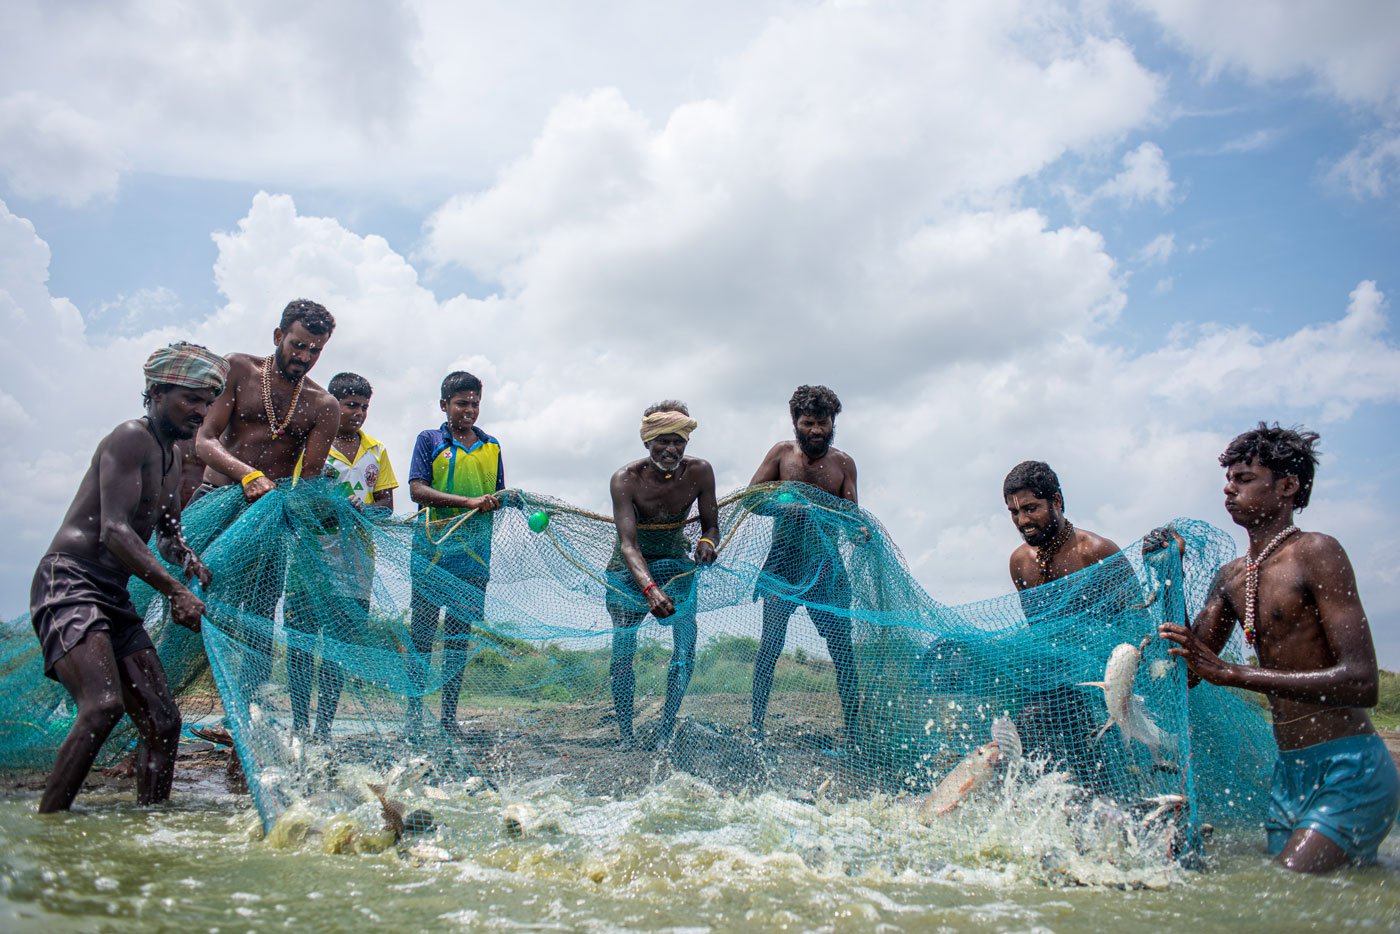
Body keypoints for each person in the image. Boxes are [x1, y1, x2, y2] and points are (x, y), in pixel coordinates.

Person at [1158, 423, 1398, 872]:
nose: (1228, 490)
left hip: (1350, 768)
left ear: (1288, 486)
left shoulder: (1317, 553)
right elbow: (1190, 670)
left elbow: (1363, 682)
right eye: (1227, 480)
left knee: (1287, 886)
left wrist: (1235, 674)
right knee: (1325, 889)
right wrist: (1169, 570)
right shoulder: (1231, 577)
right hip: (1289, 773)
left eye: (1244, 479)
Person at [30, 343, 228, 812]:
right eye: (190, 399)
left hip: (112, 594)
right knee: (102, 706)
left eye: (207, 401)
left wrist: (187, 558)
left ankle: (150, 823)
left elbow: (166, 532)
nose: (200, 411)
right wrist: (175, 590)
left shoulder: (174, 455)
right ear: (157, 392)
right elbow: (117, 531)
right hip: (70, 582)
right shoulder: (129, 438)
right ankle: (51, 823)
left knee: (163, 722)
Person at [193, 299, 340, 689]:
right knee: (194, 600)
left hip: (268, 517)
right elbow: (204, 441)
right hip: (214, 501)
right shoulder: (239, 369)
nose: (305, 356)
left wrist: (320, 506)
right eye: (298, 344)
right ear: (279, 336)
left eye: (315, 349)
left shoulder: (323, 405)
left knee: (259, 613)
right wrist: (247, 475)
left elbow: (306, 480)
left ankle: (246, 710)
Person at [1002, 460, 1132, 791]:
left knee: (1112, 775)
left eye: (1031, 508)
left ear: (1057, 501)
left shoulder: (1097, 552)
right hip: (1053, 682)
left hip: (1104, 682)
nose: (1023, 521)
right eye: (1014, 512)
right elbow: (1039, 633)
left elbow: (1135, 623)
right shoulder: (1020, 562)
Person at [748, 385, 862, 750]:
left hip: (826, 566)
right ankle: (756, 727)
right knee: (771, 644)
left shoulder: (843, 464)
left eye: (823, 423)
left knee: (842, 649)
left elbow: (852, 515)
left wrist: (857, 531)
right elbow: (751, 500)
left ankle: (855, 733)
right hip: (783, 562)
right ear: (795, 422)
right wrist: (785, 506)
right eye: (808, 422)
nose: (816, 430)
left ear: (833, 423)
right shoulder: (782, 455)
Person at [285, 372, 398, 740]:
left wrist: (362, 511)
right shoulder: (311, 447)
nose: (359, 413)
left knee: (338, 651)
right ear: (332, 406)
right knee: (302, 646)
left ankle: (323, 731)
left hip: (356, 567)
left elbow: (386, 507)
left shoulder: (377, 451)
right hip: (309, 562)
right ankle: (300, 726)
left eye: (364, 407)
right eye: (351, 405)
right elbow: (296, 499)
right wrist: (330, 507)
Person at [607, 401, 720, 748]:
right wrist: (650, 590)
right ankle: (626, 733)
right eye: (662, 442)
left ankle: (667, 726)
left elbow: (712, 525)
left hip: (676, 563)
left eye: (678, 442)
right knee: (623, 651)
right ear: (647, 442)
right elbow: (628, 545)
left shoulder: (700, 472)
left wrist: (706, 543)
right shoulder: (625, 480)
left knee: (685, 648)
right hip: (628, 573)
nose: (671, 449)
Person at [405, 371, 504, 742]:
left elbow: (498, 493)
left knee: (459, 637)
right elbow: (417, 489)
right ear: (444, 405)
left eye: (475, 403)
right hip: (431, 551)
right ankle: (414, 714)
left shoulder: (492, 445)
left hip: (473, 556)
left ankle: (448, 717)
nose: (469, 410)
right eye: (461, 403)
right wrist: (468, 503)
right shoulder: (429, 440)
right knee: (423, 634)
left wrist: (507, 500)